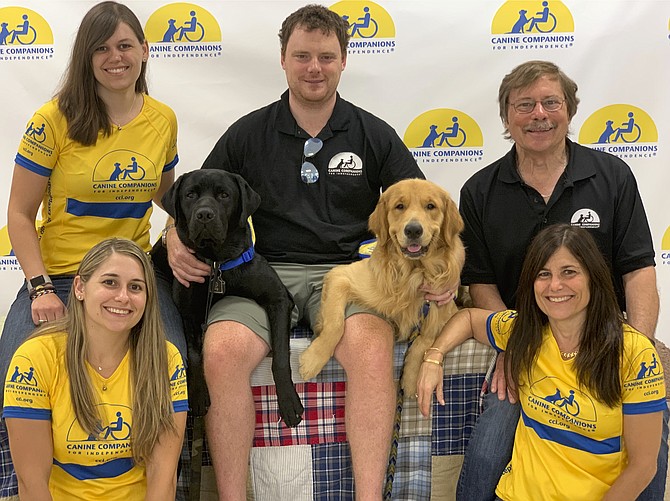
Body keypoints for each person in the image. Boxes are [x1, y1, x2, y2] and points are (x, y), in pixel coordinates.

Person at [164, 5, 454, 499]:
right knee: (222, 350)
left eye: (325, 56)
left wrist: (444, 272)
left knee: (369, 346)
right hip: (258, 273)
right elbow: (196, 196)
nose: (314, 68)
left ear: (344, 60)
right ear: (282, 59)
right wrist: (173, 235)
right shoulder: (249, 131)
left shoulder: (372, 133)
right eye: (302, 56)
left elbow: (423, 209)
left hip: (348, 274)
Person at [0, 2, 187, 498]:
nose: (114, 57)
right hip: (59, 275)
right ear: (86, 58)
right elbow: (19, 214)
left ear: (144, 52)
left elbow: (164, 195)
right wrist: (40, 288)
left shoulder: (163, 119)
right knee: (12, 372)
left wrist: (184, 239)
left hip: (132, 275)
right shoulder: (52, 120)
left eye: (125, 45)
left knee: (174, 369)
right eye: (100, 48)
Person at [457, 60, 665, 500]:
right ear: (506, 117)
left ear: (568, 111)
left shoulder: (613, 177)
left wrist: (633, 351)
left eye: (551, 102)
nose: (539, 114)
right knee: (487, 453)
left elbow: (639, 271)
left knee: (650, 449)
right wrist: (514, 348)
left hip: (605, 338)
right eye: (525, 105)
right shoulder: (479, 190)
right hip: (529, 345)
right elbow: (482, 285)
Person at [417, 224, 665, 500]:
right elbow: (469, 319)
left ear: (593, 277)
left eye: (569, 272)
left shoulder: (634, 352)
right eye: (543, 274)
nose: (555, 286)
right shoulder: (524, 330)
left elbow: (643, 466)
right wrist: (433, 357)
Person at [3, 238, 188, 500]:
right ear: (80, 287)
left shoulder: (166, 359)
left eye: (135, 287)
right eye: (109, 282)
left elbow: (163, 475)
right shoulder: (35, 357)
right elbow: (32, 483)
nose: (123, 297)